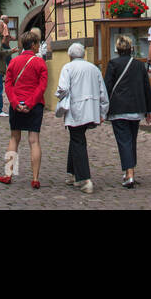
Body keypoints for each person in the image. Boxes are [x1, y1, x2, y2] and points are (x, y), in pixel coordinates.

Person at [56, 41, 109, 194]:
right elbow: (102, 92)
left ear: (69, 55)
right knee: (76, 138)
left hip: (75, 109)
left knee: (77, 140)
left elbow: (63, 89)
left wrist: (59, 96)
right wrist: (102, 112)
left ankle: (85, 179)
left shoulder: (68, 68)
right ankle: (71, 173)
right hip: (90, 110)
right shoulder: (93, 68)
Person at [0, 30, 48, 188]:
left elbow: (8, 84)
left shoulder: (14, 62)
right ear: (33, 45)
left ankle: (8, 174)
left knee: (14, 138)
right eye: (37, 44)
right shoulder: (40, 62)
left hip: (17, 104)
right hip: (34, 106)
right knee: (34, 141)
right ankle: (35, 178)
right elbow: (42, 86)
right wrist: (31, 102)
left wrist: (15, 102)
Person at [106, 34, 151, 188]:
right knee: (131, 140)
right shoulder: (139, 65)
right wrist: (149, 110)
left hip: (118, 109)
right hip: (136, 108)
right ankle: (129, 170)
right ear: (131, 49)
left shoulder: (113, 64)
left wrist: (103, 108)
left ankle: (129, 174)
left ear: (117, 49)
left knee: (124, 141)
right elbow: (147, 88)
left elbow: (107, 87)